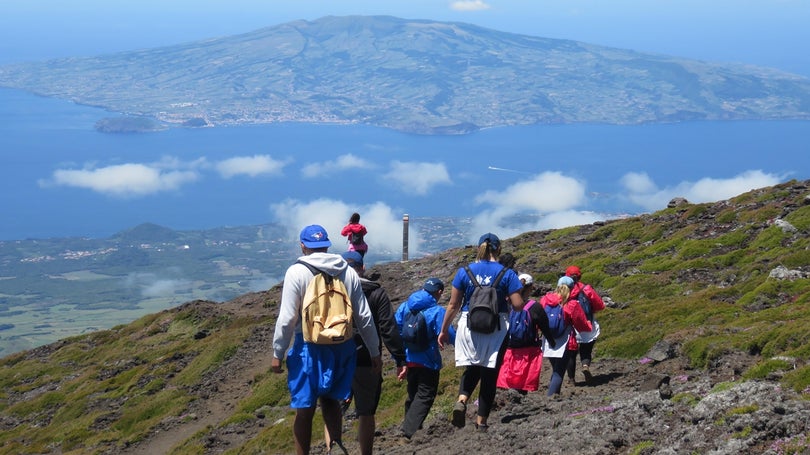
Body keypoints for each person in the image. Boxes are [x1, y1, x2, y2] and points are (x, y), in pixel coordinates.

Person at [270, 224, 382, 455]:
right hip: (343, 345)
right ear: (327, 244)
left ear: (303, 245)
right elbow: (363, 316)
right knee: (331, 400)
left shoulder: (297, 272)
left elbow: (287, 318)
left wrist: (277, 353)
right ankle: (336, 445)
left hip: (308, 346)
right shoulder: (347, 270)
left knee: (305, 408)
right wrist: (374, 351)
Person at [438, 233, 524, 431]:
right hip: (497, 327)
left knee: (473, 367)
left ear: (479, 248)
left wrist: (444, 330)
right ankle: (481, 422)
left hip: (469, 325)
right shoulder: (507, 273)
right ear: (498, 249)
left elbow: (453, 304)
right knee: (489, 374)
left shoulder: (465, 271)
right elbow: (518, 305)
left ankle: (462, 398)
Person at [324, 251, 407, 455]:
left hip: (335, 358)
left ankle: (331, 449)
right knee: (366, 413)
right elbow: (388, 329)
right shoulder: (376, 293)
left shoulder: (330, 290)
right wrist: (400, 358)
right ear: (362, 268)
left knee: (332, 408)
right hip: (366, 359)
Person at [395, 277, 455, 439]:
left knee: (413, 394)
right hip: (428, 361)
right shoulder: (437, 311)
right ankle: (408, 432)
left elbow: (396, 331)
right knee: (425, 395)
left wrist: (399, 360)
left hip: (409, 359)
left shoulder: (404, 306)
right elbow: (449, 335)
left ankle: (410, 428)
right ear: (439, 292)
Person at [496, 273, 556, 393]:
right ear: (530, 287)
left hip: (508, 350)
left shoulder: (507, 305)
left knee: (506, 382)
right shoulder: (535, 307)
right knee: (523, 383)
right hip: (529, 351)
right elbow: (545, 327)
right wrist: (552, 342)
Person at [540, 275, 592, 396]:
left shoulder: (545, 300)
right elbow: (581, 323)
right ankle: (551, 395)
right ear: (572, 288)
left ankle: (555, 394)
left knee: (556, 368)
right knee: (559, 370)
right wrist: (589, 327)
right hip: (565, 340)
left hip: (548, 340)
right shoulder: (571, 304)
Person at [565, 265, 606, 384]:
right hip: (587, 324)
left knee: (571, 353)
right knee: (586, 349)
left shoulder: (564, 290)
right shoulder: (586, 288)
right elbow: (600, 305)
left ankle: (571, 378)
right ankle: (585, 365)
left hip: (571, 326)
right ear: (580, 276)